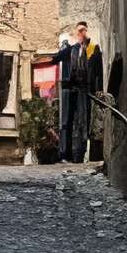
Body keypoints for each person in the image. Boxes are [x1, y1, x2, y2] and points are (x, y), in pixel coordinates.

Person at [39, 22, 103, 164]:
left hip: (85, 91)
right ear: (76, 33)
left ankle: (81, 155)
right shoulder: (71, 49)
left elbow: (98, 71)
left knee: (84, 122)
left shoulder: (93, 49)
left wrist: (98, 90)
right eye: (80, 31)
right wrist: (39, 63)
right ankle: (65, 154)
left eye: (84, 31)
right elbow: (55, 59)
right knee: (66, 122)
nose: (82, 34)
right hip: (70, 89)